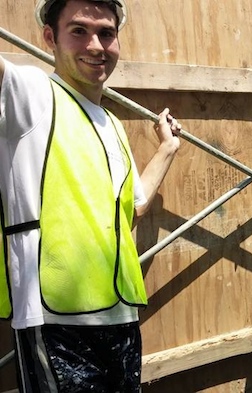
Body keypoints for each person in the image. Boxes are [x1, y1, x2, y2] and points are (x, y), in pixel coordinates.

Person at [0, 0, 181, 391]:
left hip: (120, 317)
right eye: (78, 31)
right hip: (56, 320)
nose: (96, 45)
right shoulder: (30, 94)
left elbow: (135, 206)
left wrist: (167, 149)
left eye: (107, 33)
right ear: (50, 37)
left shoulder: (112, 123)